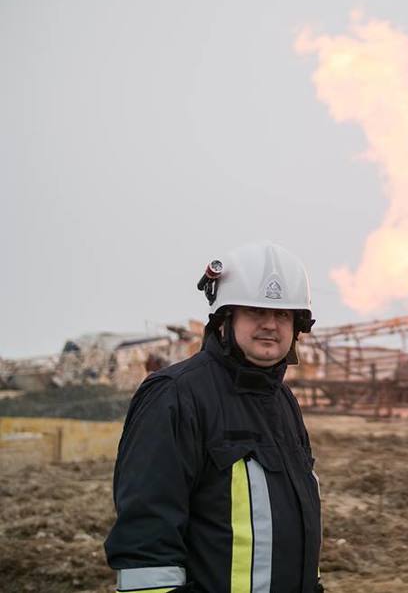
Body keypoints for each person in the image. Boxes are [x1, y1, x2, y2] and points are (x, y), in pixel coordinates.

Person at [105, 241, 323, 593]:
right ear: (225, 319)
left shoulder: (282, 401)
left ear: (297, 326)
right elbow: (146, 541)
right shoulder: (175, 395)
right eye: (256, 312)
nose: (271, 325)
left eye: (283, 315)